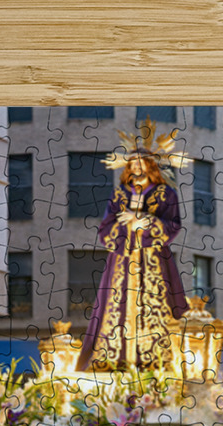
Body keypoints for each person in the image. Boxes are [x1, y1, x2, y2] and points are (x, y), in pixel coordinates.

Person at [77, 125, 190, 372]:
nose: (136, 167)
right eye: (132, 163)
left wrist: (145, 222)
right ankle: (114, 357)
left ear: (150, 166)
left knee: (156, 306)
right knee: (115, 306)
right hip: (122, 261)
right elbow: (105, 228)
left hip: (153, 260)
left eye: (141, 163)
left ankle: (155, 357)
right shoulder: (119, 195)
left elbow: (173, 225)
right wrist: (123, 224)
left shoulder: (165, 193)